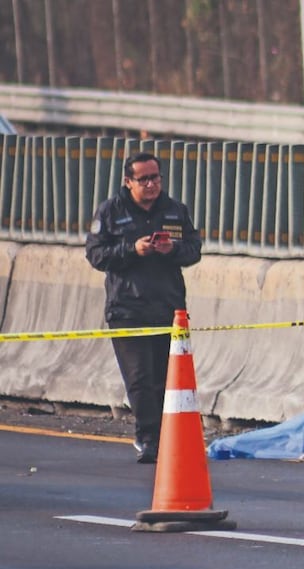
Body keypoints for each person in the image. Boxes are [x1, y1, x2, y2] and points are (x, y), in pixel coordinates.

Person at [86, 152, 202, 463]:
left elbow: (194, 249)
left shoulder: (175, 210)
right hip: (127, 308)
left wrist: (172, 249)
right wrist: (132, 249)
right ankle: (148, 437)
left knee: (164, 378)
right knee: (139, 377)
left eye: (156, 178)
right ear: (128, 182)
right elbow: (96, 255)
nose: (151, 184)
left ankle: (168, 436)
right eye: (144, 179)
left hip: (168, 307)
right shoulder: (111, 211)